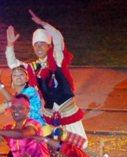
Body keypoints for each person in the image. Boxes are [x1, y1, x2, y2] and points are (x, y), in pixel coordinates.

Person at [6, 10, 87, 146]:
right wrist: (10, 45)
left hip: (67, 109)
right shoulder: (32, 67)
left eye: (42, 44)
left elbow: (57, 37)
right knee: (58, 145)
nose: (38, 47)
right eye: (36, 44)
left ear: (49, 46)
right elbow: (13, 64)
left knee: (80, 144)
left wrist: (43, 24)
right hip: (50, 113)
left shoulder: (57, 59)